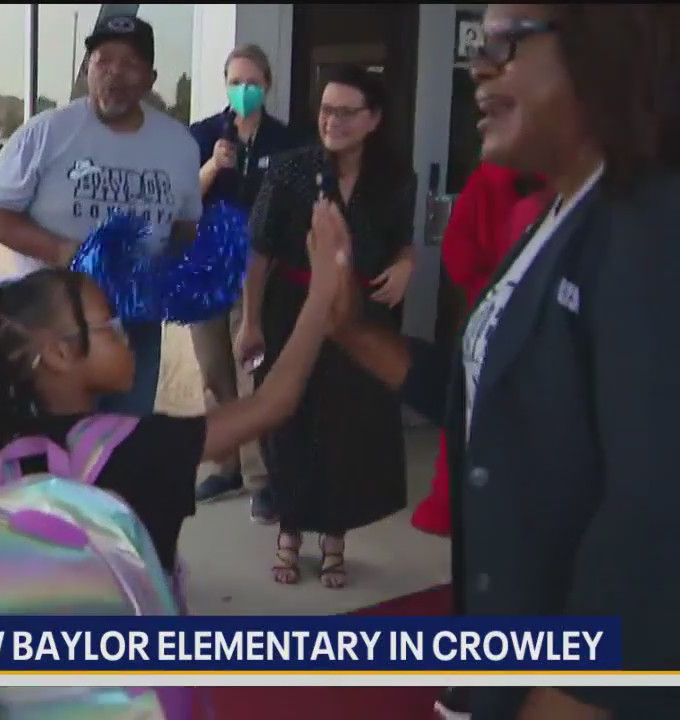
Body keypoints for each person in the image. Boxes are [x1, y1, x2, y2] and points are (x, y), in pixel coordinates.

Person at [322, 5, 680, 718]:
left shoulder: (650, 225)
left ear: (609, 48)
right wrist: (349, 327)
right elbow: (484, 398)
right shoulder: (558, 216)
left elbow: (655, 509)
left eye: (508, 44)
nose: (479, 69)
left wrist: (568, 698)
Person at [0, 196, 350, 576]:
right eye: (109, 327)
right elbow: (272, 404)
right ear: (59, 355)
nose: (126, 336)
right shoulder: (132, 447)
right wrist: (321, 293)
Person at [236, 66, 415, 589]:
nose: (331, 121)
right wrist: (249, 321)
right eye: (325, 110)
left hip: (360, 311)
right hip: (291, 305)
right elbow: (259, 251)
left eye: (345, 111)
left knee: (347, 424)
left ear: (373, 119)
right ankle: (289, 532)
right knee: (291, 418)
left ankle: (335, 539)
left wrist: (408, 266)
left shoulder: (395, 178)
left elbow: (403, 240)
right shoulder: (291, 169)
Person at [0, 14, 202, 416]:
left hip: (136, 322)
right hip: (55, 321)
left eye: (130, 63)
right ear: (87, 70)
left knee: (125, 441)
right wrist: (62, 250)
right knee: (50, 441)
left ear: (151, 78)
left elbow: (184, 229)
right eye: (103, 61)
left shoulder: (179, 144)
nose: (114, 72)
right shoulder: (46, 132)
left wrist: (178, 276)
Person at [187, 43, 310, 512]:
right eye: (236, 82)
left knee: (254, 368)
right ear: (225, 84)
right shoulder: (203, 134)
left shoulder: (286, 141)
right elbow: (183, 199)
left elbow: (294, 210)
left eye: (252, 83)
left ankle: (263, 478)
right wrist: (213, 165)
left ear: (268, 85)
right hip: (206, 267)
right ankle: (225, 468)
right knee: (215, 372)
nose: (244, 91)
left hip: (258, 272)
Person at [412, 163, 548, 537]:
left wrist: (480, 286)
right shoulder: (567, 183)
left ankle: (453, 506)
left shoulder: (490, 177)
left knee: (468, 412)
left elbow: (459, 253)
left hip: (487, 307)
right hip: (532, 320)